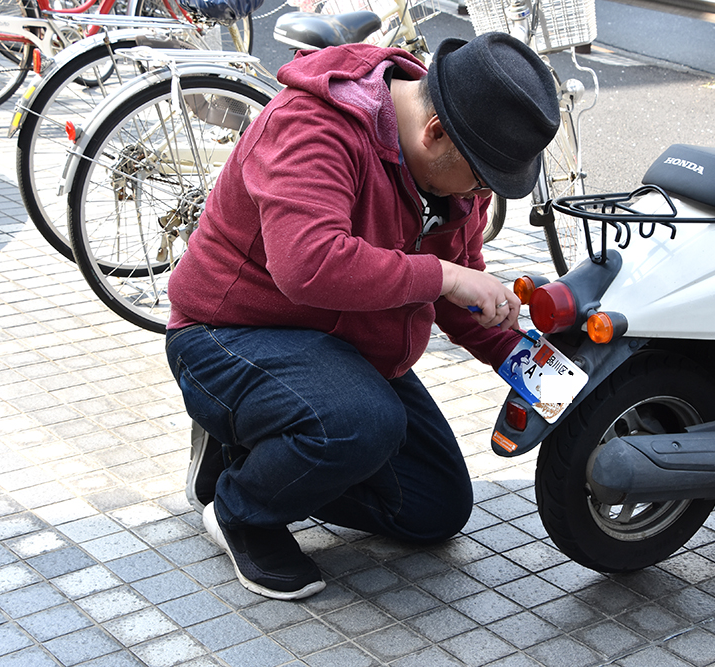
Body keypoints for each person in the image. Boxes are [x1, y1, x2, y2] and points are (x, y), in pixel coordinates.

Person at [164, 32, 561, 600]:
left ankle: (260, 448)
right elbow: (307, 264)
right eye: (481, 179)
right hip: (230, 334)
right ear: (436, 132)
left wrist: (533, 369)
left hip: (341, 349)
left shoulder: (454, 161)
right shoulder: (313, 126)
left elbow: (464, 293)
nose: (481, 194)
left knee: (433, 509)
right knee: (361, 422)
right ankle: (240, 506)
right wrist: (443, 274)